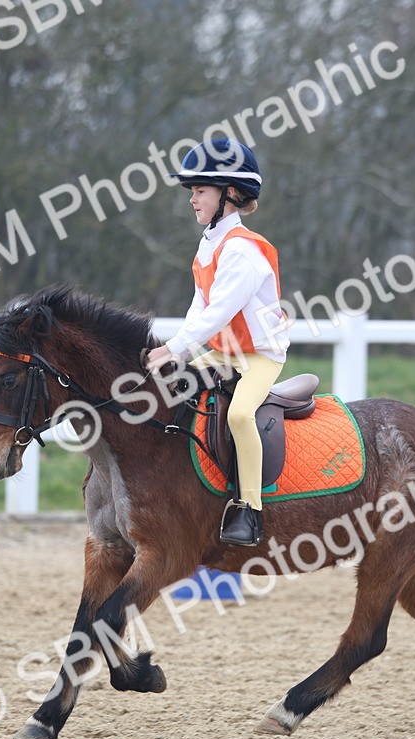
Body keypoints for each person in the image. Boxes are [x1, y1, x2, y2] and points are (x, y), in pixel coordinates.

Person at [144, 138, 289, 546]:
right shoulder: (210, 244)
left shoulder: (242, 251)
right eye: (192, 192)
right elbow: (198, 307)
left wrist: (175, 348)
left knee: (240, 416)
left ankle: (251, 510)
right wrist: (177, 354)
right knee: (170, 392)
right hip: (224, 353)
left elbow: (219, 313)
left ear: (229, 195)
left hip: (260, 356)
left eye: (200, 191)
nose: (192, 200)